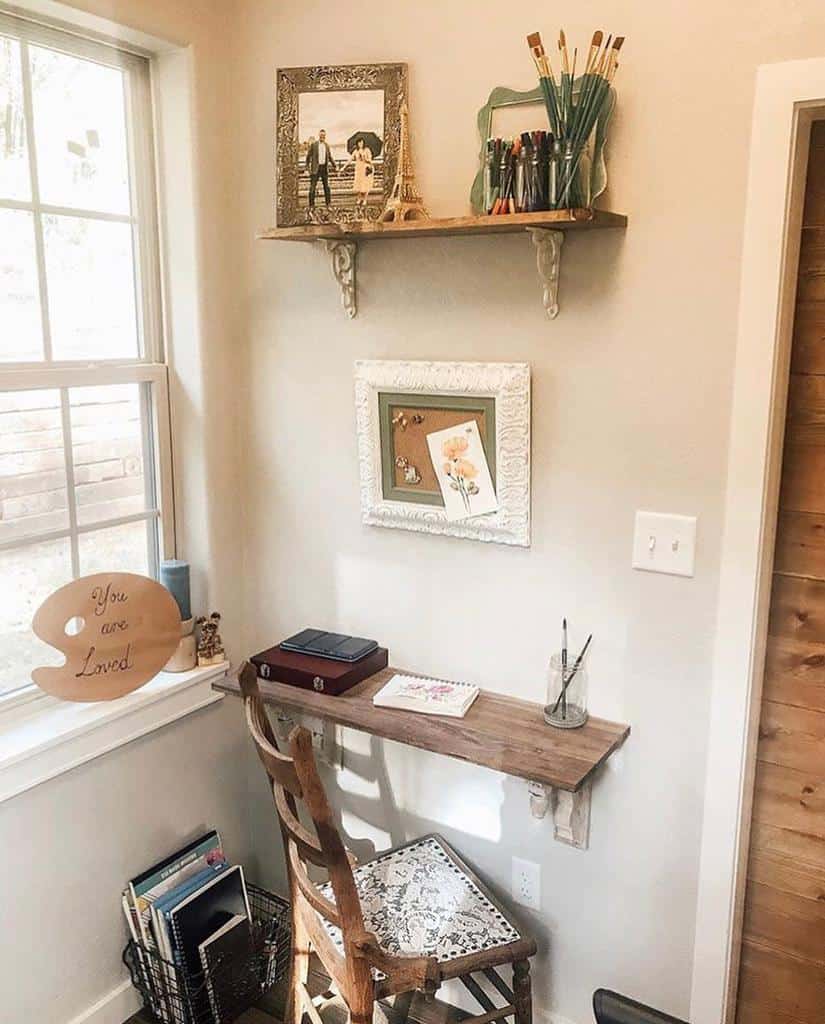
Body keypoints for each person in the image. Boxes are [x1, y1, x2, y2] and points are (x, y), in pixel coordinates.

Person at [305, 129, 337, 209]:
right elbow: (308, 157)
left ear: (325, 136)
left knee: (327, 187)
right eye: (321, 135)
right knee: (312, 188)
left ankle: (328, 204)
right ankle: (311, 206)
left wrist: (335, 166)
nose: (322, 137)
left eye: (324, 136)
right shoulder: (314, 145)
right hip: (315, 169)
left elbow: (329, 157)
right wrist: (307, 168)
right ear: (319, 136)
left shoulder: (327, 145)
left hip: (324, 169)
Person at [341, 137, 374, 213]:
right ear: (357, 143)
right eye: (359, 143)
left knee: (365, 184)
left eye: (362, 142)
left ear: (364, 143)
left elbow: (371, 160)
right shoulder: (356, 151)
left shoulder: (367, 150)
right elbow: (350, 160)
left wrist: (365, 159)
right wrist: (343, 167)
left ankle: (365, 199)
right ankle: (359, 198)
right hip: (359, 170)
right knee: (359, 184)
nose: (360, 144)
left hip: (365, 169)